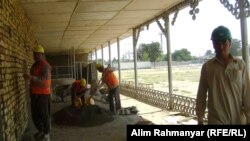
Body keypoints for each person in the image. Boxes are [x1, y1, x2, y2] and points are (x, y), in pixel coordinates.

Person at [196, 26, 250, 125]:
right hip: (217, 120)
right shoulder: (207, 67)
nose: (220, 47)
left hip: (238, 119)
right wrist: (200, 118)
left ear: (230, 43)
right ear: (213, 45)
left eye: (223, 42)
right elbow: (201, 94)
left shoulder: (240, 65)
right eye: (216, 43)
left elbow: (247, 93)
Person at [23, 44, 51, 141]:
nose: (36, 56)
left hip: (43, 94)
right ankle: (41, 130)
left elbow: (43, 78)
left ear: (42, 55)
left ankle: (47, 133)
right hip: (34, 93)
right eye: (35, 54)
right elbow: (32, 78)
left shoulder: (45, 65)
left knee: (44, 114)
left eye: (39, 54)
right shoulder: (34, 65)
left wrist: (31, 77)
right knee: (35, 115)